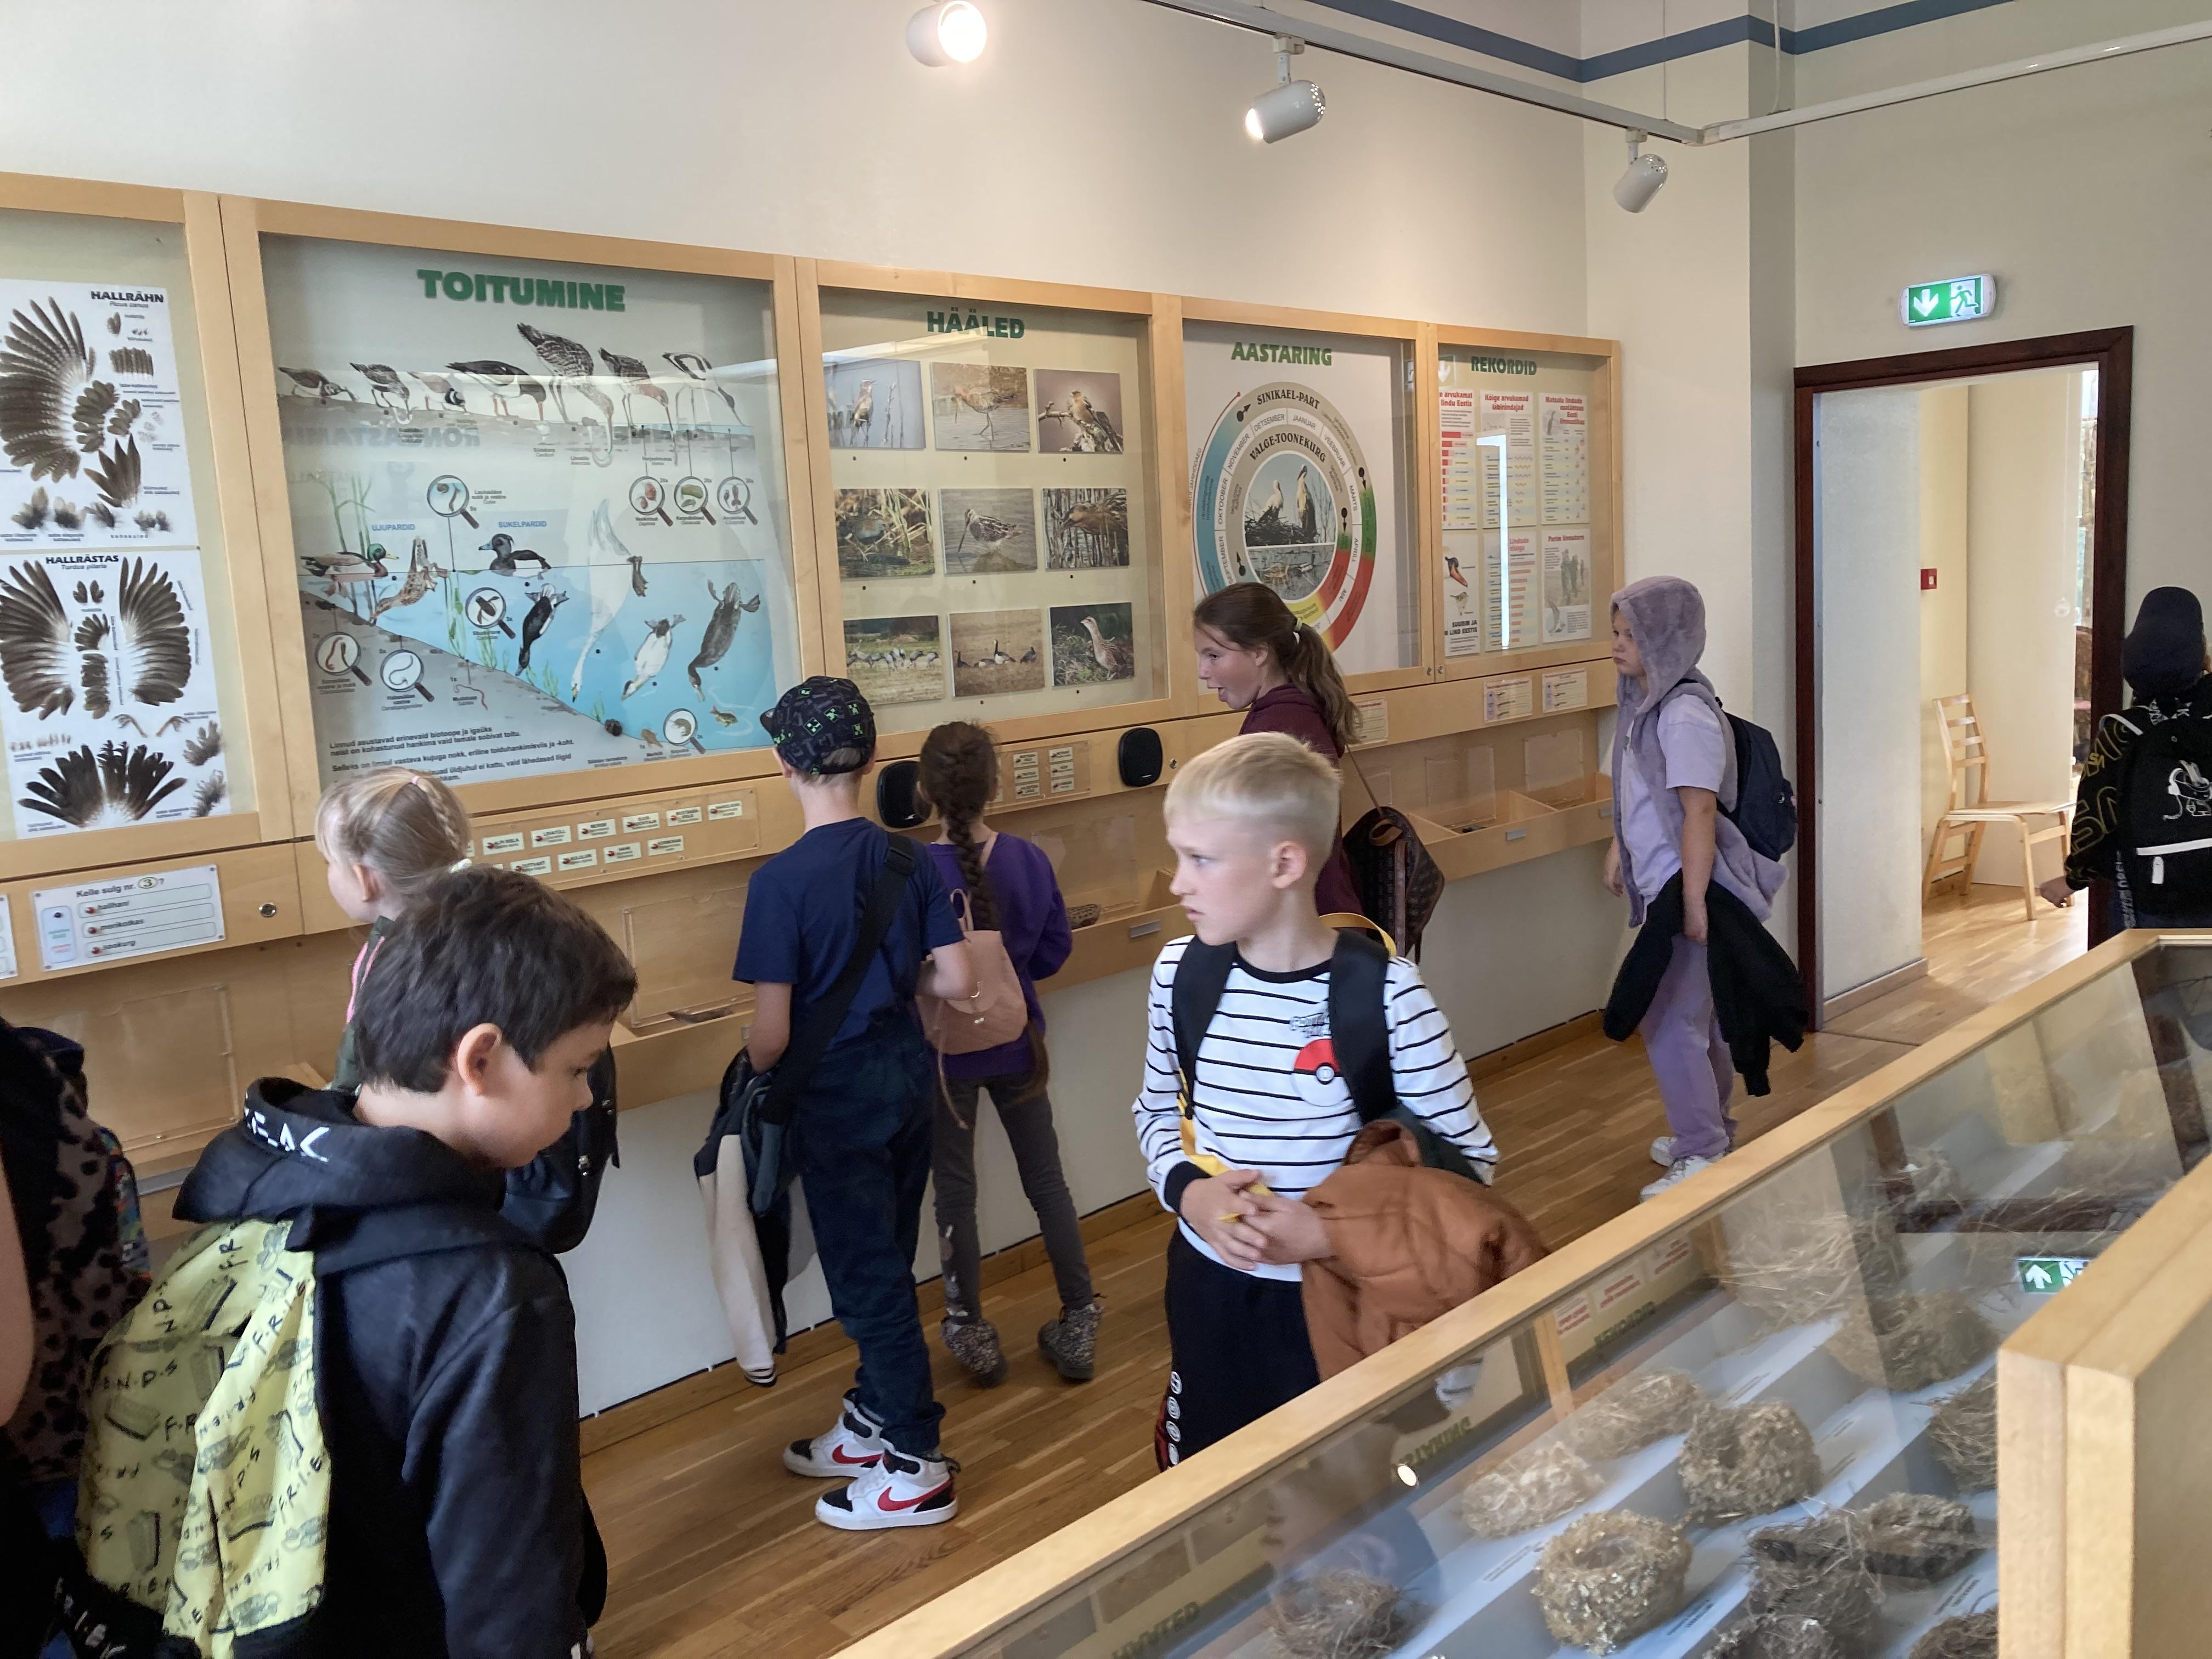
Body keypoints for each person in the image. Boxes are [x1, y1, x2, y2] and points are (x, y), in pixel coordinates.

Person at [168, 867, 636, 1654]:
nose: (586, 1099)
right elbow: (507, 1590)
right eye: (578, 1069)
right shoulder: (492, 1289)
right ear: (480, 1060)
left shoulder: (254, 1184)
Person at [1131, 732, 1497, 1466]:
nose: (1178, 884)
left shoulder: (1388, 996)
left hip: (1341, 1299)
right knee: (1212, 1480)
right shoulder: (1179, 976)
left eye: (1201, 860)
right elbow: (1155, 1114)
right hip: (1209, 1290)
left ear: (1285, 864)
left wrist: (1329, 1235)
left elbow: (1470, 1168)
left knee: (1343, 1491)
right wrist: (1189, 1194)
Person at [735, 677, 975, 1530]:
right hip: (906, 1079)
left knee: (867, 1279)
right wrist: (886, 983)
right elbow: (957, 977)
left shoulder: (779, 883)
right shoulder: (912, 860)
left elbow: (770, 1039)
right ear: (872, 759)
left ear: (782, 763)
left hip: (837, 1099)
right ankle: (874, 1414)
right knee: (888, 1260)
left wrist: (757, 1057)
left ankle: (915, 1463)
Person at [318, 766, 619, 1252]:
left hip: (449, 1193)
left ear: (363, 878)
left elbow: (360, 1070)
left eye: (329, 862)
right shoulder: (508, 923)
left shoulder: (402, 957)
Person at [916, 721, 1099, 1387]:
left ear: (922, 790)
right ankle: (1080, 1315)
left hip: (943, 1058)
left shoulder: (912, 871)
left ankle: (969, 1328)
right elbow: (1053, 950)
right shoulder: (1026, 858)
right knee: (1047, 1181)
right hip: (1019, 1042)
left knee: (955, 1196)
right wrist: (1009, 977)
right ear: (995, 785)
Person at [1604, 577, 1787, 1200]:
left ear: (1666, 640)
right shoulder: (1644, 705)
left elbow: (1699, 811)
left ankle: (1703, 1147)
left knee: (1668, 1020)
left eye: (1631, 635)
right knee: (1695, 1020)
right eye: (1616, 633)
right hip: (1670, 883)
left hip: (1694, 887)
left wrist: (1694, 904)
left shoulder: (1683, 715)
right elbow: (1643, 795)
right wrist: (1621, 848)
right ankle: (1710, 1134)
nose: (1617, 646)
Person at [1193, 583, 1365, 918]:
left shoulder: (1278, 729)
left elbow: (1258, 851)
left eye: (1214, 656)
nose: (1203, 671)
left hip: (1305, 922)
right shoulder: (1293, 710)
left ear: (1260, 653)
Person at [2045, 585, 2212, 926]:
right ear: (2202, 656)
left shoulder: (2122, 732)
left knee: (2146, 962)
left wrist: (2074, 879)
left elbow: (2096, 815)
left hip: (2150, 894)